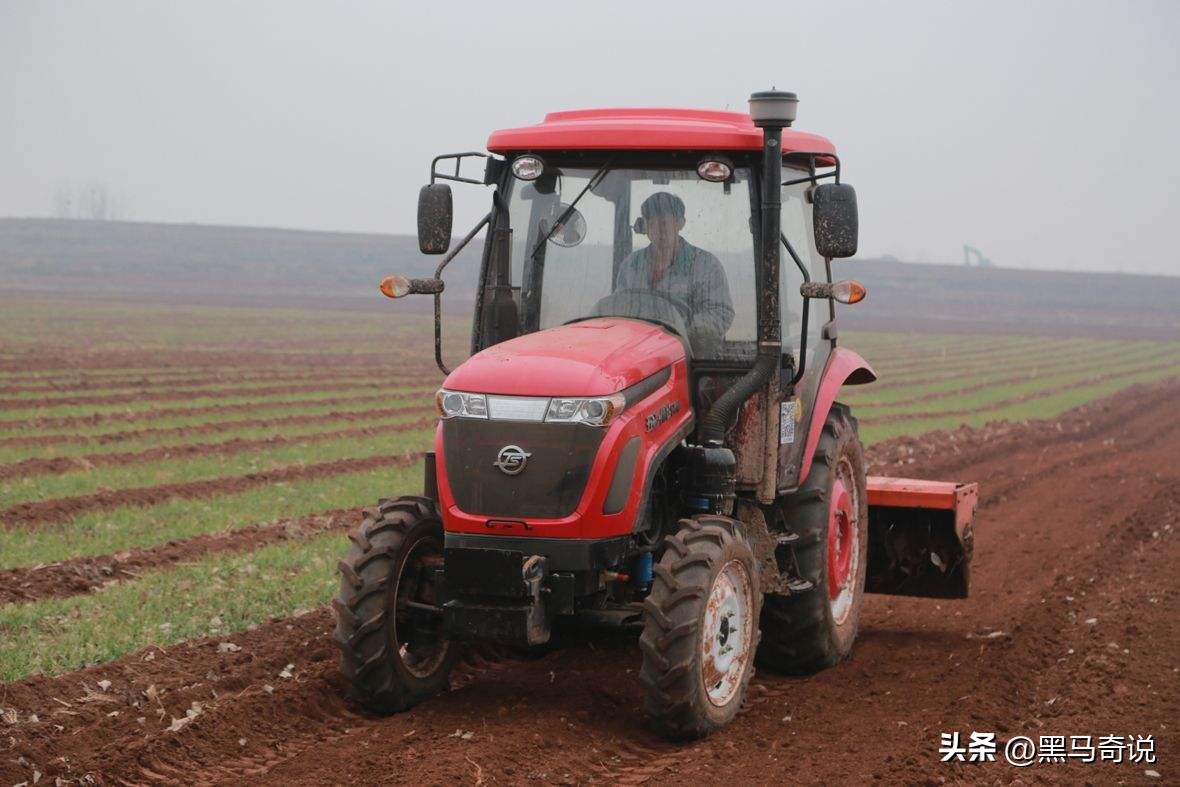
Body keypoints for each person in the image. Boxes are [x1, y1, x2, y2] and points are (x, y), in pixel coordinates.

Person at [614, 192, 734, 349]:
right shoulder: (631, 265)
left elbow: (720, 314)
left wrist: (678, 331)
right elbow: (618, 307)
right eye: (652, 223)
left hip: (691, 357)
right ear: (645, 226)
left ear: (680, 223)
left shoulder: (705, 265)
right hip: (639, 352)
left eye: (664, 223)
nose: (659, 230)